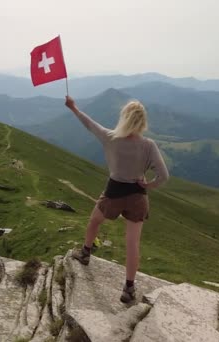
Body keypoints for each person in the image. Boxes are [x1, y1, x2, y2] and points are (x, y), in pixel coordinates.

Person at [65, 95, 169, 303]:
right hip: (138, 196)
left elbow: (89, 124)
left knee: (94, 221)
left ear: (124, 117)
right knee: (132, 243)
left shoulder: (110, 137)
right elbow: (164, 176)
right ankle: (128, 289)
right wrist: (148, 185)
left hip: (114, 192)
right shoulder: (149, 145)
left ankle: (85, 253)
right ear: (142, 121)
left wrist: (74, 107)